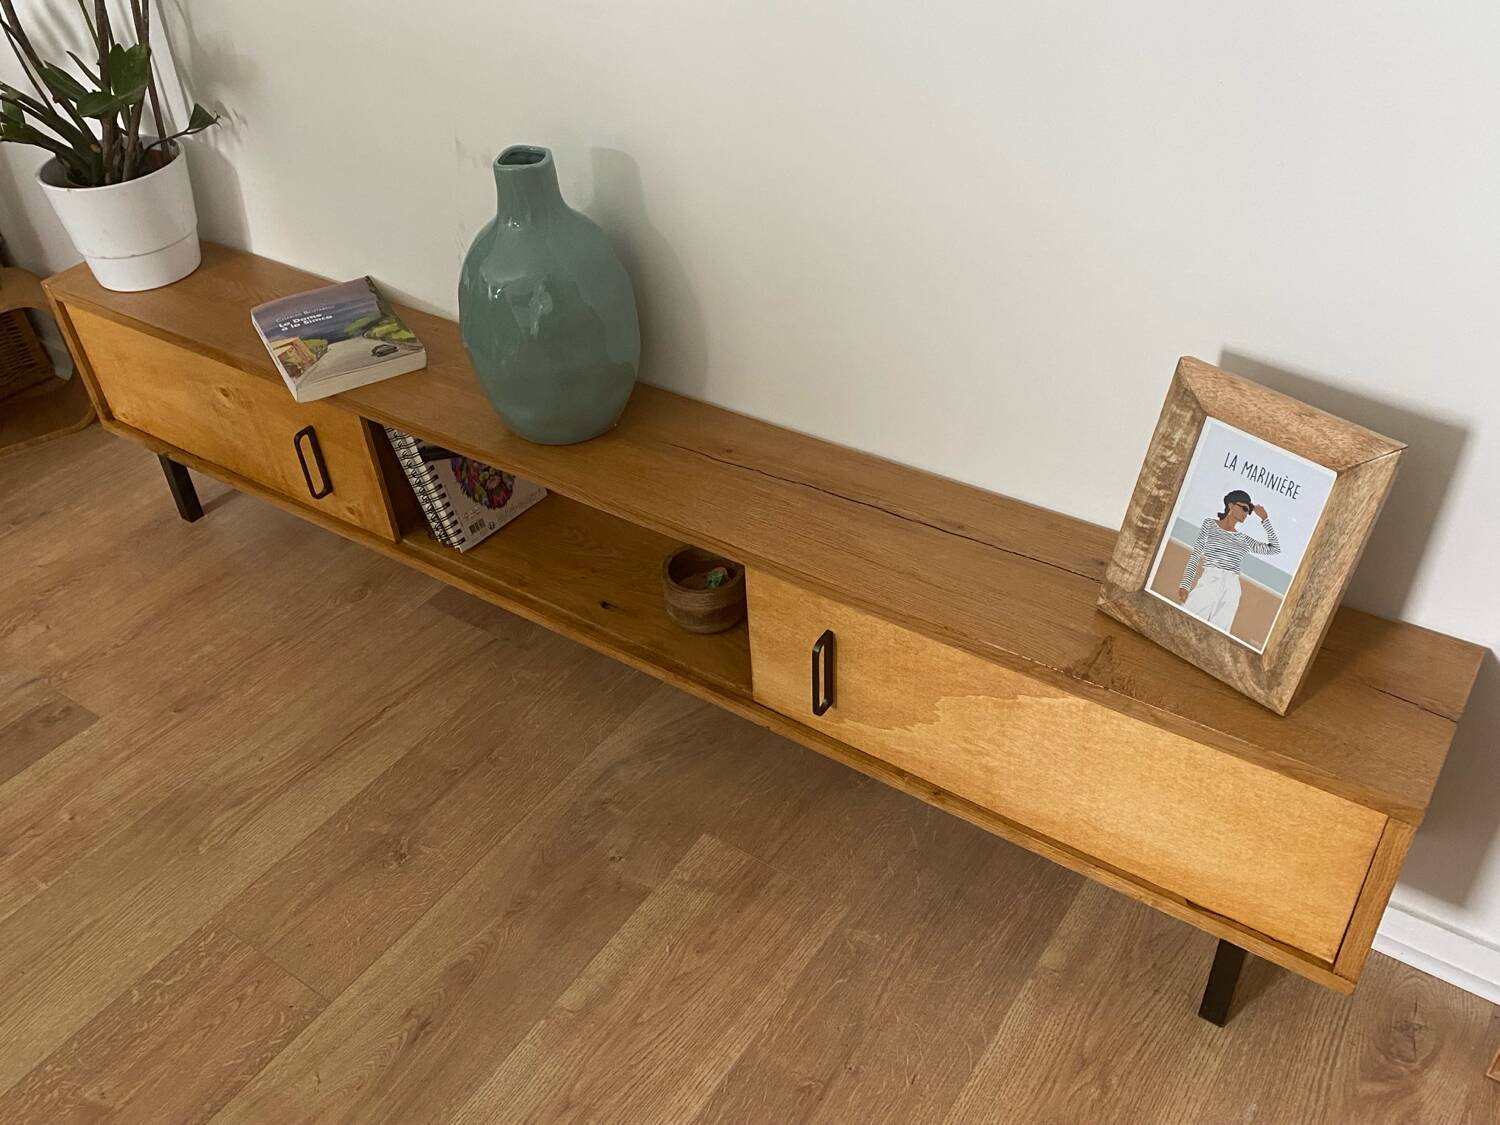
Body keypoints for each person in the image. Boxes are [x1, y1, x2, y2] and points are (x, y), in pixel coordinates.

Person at [1177, 489, 1279, 631]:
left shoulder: (1243, 539)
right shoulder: (1210, 524)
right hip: (1210, 580)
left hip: (1232, 588)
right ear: (1231, 505)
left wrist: (1265, 519)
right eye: (1244, 508)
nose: (1246, 513)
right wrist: (1185, 585)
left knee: (1217, 633)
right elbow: (1195, 556)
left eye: (1248, 511)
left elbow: (1275, 549)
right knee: (1185, 623)